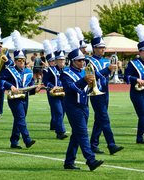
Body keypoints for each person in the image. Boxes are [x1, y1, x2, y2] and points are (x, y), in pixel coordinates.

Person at [60, 28, 104, 170]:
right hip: (73, 106)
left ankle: (69, 162)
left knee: (76, 135)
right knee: (83, 133)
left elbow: (97, 78)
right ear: (72, 61)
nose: (82, 62)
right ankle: (90, 160)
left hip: (84, 105)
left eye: (83, 60)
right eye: (79, 61)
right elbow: (69, 89)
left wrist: (109, 70)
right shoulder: (66, 73)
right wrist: (84, 80)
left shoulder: (85, 71)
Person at [88, 16, 124, 154]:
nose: (103, 49)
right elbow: (92, 76)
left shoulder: (106, 61)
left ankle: (94, 143)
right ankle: (111, 144)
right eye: (100, 47)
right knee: (104, 118)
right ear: (94, 48)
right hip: (95, 92)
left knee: (99, 119)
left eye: (103, 47)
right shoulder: (88, 61)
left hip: (105, 90)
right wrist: (108, 69)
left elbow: (108, 75)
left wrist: (117, 68)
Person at [0, 30, 40, 149]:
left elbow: (31, 84)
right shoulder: (10, 70)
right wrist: (10, 86)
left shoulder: (28, 71)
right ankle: (27, 139)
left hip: (25, 98)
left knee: (19, 119)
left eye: (23, 60)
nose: (21, 62)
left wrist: (35, 89)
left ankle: (14, 141)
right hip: (14, 98)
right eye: (19, 60)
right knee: (21, 118)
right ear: (15, 60)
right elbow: (0, 80)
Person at [42, 37, 68, 139]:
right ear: (56, 60)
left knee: (63, 112)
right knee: (58, 112)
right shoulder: (50, 70)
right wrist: (53, 86)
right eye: (59, 59)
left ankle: (58, 129)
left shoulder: (67, 70)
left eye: (63, 59)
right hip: (54, 94)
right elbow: (46, 82)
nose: (61, 61)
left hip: (65, 94)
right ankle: (60, 132)